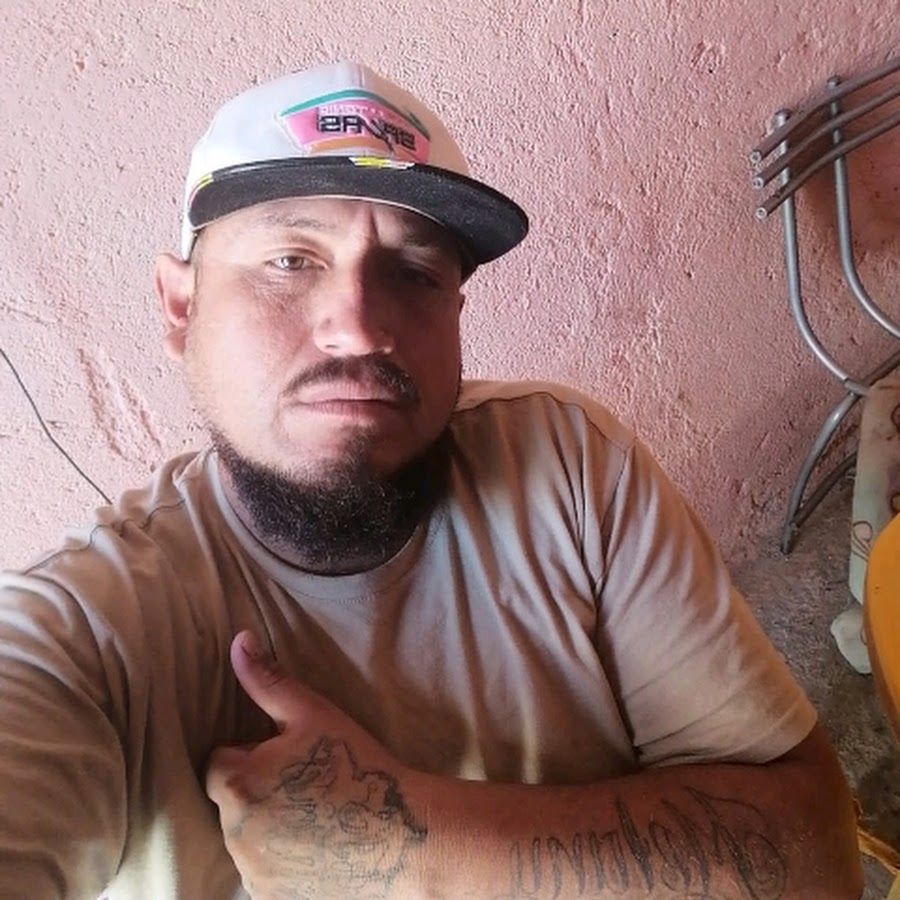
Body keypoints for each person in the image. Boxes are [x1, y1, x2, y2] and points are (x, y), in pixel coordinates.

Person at [0, 60, 862, 900]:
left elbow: (819, 856)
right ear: (181, 306)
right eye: (292, 260)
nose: (359, 328)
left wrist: (412, 850)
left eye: (413, 273)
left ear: (456, 311)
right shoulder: (85, 635)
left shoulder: (569, 464)